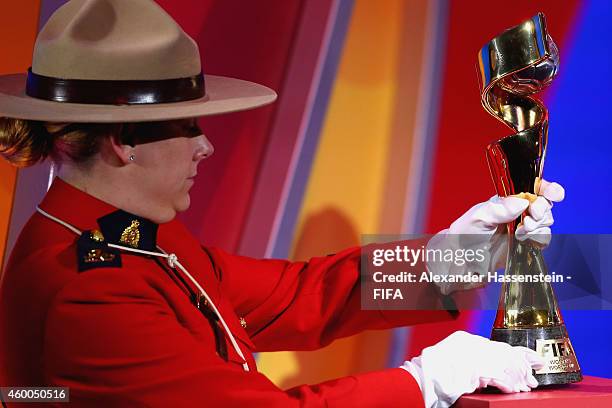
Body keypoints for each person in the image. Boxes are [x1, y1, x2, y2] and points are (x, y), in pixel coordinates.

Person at [0, 1, 563, 407]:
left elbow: (297, 295)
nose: (206, 145)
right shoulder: (87, 290)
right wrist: (426, 382)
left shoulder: (131, 234)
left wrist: (454, 257)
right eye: (189, 126)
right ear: (124, 141)